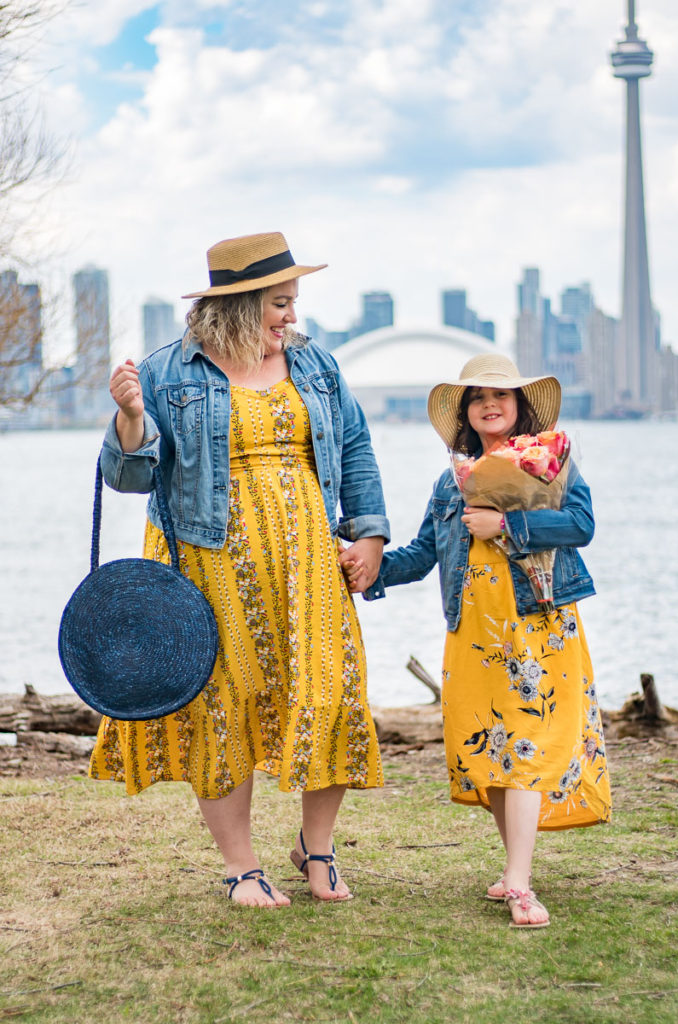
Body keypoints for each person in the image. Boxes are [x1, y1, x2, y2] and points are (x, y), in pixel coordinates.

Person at [90, 231, 389, 907]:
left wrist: (367, 535)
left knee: (328, 693)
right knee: (222, 710)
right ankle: (242, 867)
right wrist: (130, 418)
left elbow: (356, 448)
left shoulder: (316, 365)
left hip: (309, 560)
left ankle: (318, 850)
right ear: (237, 307)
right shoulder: (169, 372)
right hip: (207, 562)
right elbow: (126, 476)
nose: (289, 315)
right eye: (277, 303)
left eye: (291, 301)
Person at [347, 353, 611, 928]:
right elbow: (421, 554)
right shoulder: (453, 481)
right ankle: (515, 868)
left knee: (526, 749)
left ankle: (519, 881)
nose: (490, 404)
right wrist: (367, 570)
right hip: (471, 633)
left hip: (538, 626)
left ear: (519, 407)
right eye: (477, 397)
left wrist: (508, 526)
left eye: (501, 395)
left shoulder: (552, 463)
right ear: (467, 413)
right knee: (491, 752)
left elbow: (582, 526)